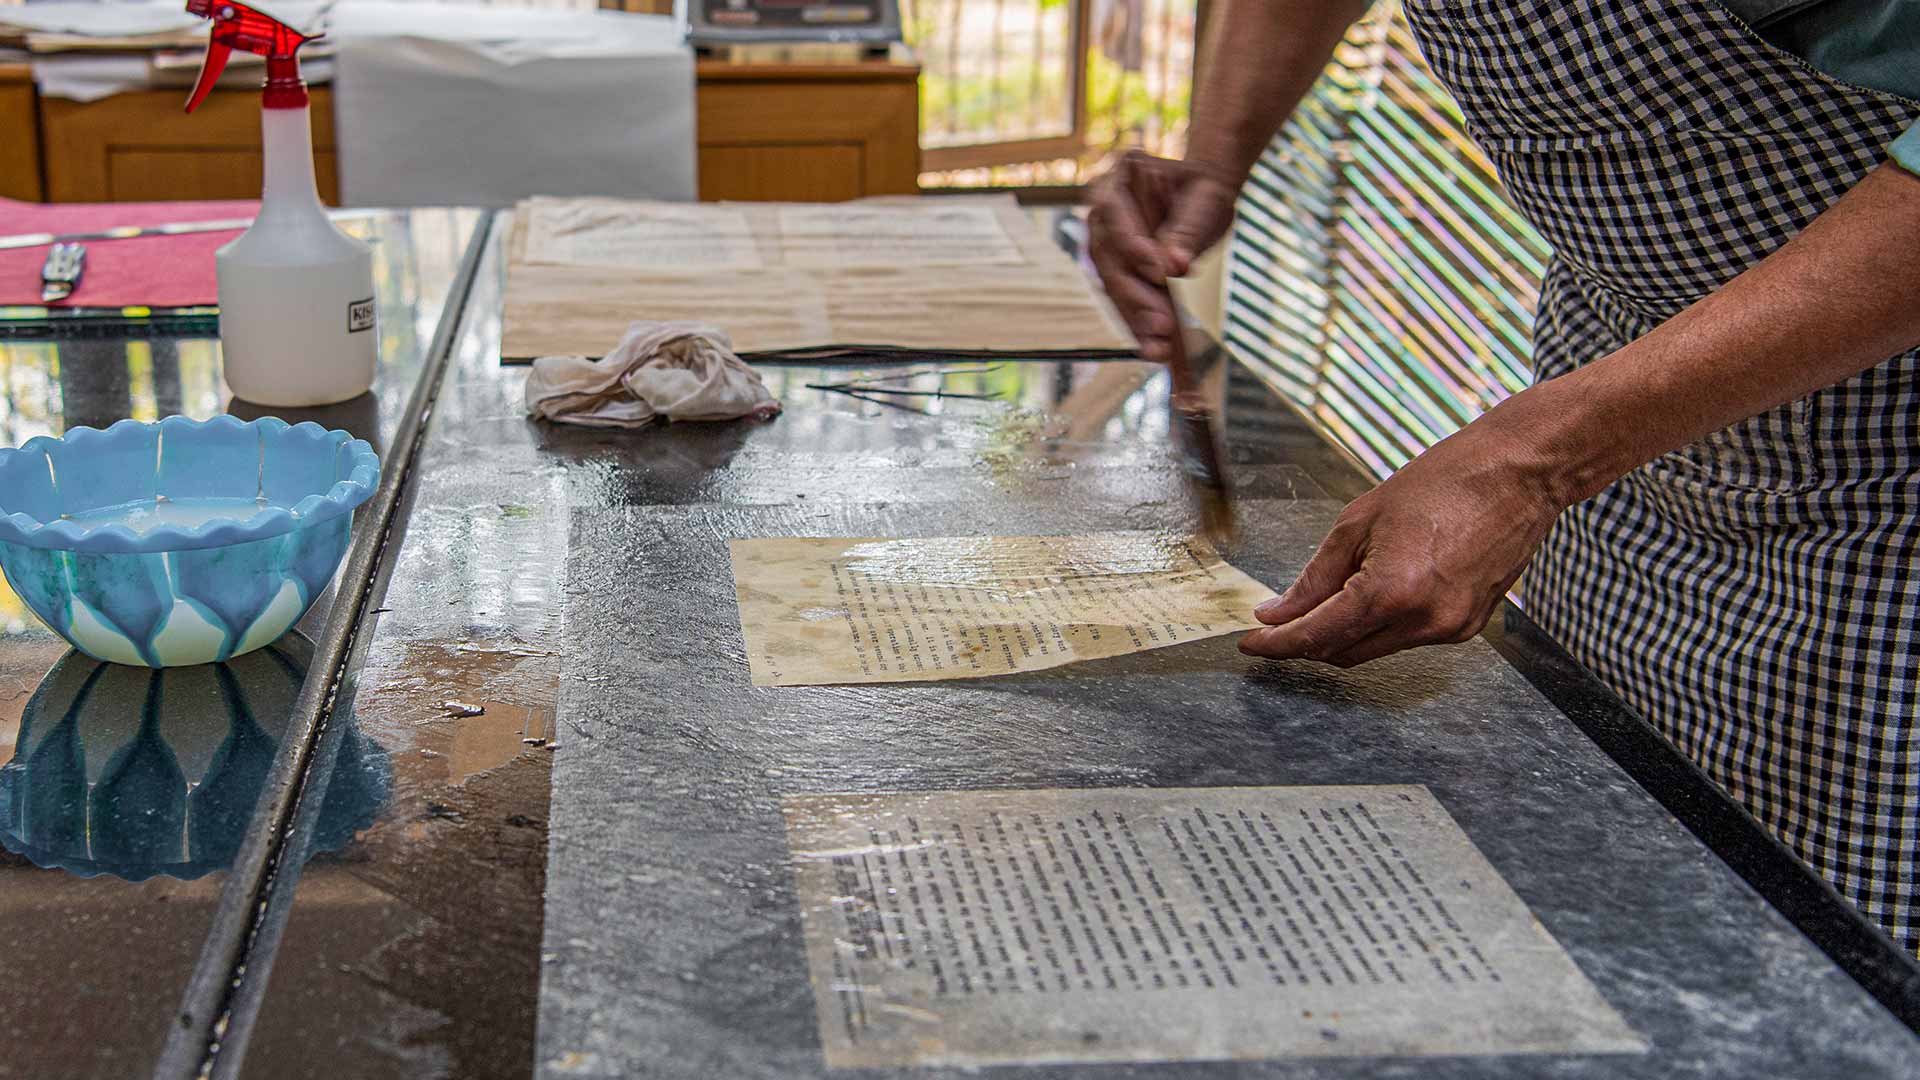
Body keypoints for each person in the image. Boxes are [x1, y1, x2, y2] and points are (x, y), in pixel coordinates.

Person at [1090, 0, 1920, 952]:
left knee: (1821, 953)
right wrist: (1212, 158)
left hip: (1888, 490)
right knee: (1603, 883)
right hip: (1622, 414)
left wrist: (1538, 459)